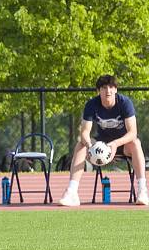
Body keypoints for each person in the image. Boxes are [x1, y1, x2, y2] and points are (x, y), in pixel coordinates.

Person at [58, 74, 149, 206]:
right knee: (80, 144)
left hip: (122, 144)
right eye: (104, 87)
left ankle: (142, 191)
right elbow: (84, 132)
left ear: (116, 89)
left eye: (111, 87)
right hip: (101, 144)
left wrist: (115, 144)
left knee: (136, 143)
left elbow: (133, 133)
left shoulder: (125, 103)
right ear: (98, 91)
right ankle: (72, 193)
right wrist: (90, 145)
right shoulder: (91, 104)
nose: (108, 91)